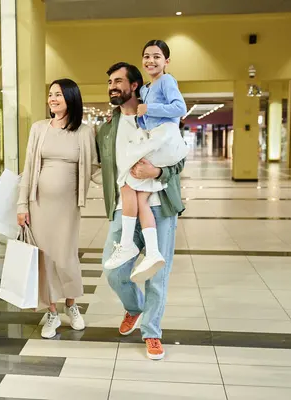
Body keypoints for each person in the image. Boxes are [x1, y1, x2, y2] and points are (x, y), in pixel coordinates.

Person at [96, 62, 185, 360]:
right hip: (124, 207)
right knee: (113, 269)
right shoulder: (108, 129)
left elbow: (179, 159)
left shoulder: (159, 118)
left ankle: (152, 332)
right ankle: (134, 307)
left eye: (118, 80)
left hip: (160, 205)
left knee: (157, 274)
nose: (112, 86)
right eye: (110, 81)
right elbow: (104, 169)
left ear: (135, 86)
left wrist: (157, 171)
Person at [17, 78, 99, 339]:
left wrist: (124, 180)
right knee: (45, 258)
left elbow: (95, 167)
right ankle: (52, 311)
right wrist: (22, 204)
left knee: (66, 256)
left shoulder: (84, 132)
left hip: (68, 207)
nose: (52, 99)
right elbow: (29, 168)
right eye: (51, 95)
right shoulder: (39, 128)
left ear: (71, 99)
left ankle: (72, 305)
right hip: (38, 204)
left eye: (59, 95)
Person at [104, 40, 187, 284]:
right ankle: (147, 251)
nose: (151, 60)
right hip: (151, 146)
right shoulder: (110, 126)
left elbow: (178, 108)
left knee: (128, 180)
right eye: (147, 56)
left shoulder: (166, 82)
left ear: (166, 61)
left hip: (162, 158)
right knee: (134, 191)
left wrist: (158, 171)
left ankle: (133, 247)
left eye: (157, 56)